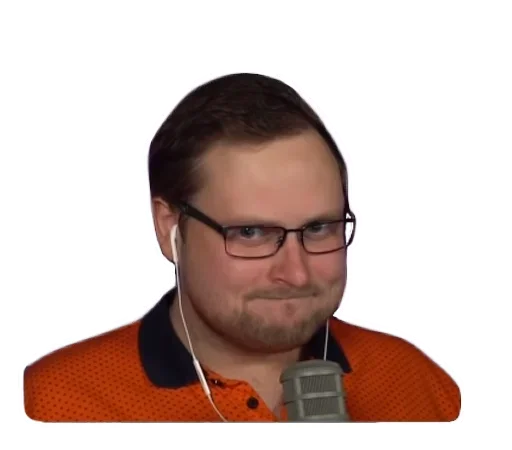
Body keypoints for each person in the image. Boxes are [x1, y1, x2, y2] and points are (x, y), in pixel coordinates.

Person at [24, 73, 461, 422]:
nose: (296, 273)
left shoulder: (418, 385)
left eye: (319, 228)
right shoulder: (52, 406)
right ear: (169, 228)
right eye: (250, 233)